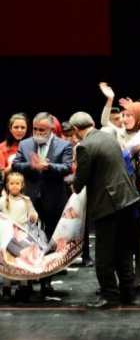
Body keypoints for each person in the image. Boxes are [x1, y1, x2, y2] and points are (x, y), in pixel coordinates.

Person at [68, 111, 140, 308]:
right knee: (124, 251)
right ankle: (128, 294)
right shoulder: (109, 136)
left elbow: (80, 181)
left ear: (75, 129)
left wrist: (73, 183)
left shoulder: (84, 146)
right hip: (128, 198)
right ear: (92, 122)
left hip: (108, 204)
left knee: (104, 254)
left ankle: (109, 296)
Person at [11, 112, 73, 297]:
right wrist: (31, 166)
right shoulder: (25, 144)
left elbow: (67, 168)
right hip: (30, 198)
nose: (37, 132)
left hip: (53, 198)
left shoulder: (64, 145)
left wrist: (48, 166)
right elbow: (16, 165)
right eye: (35, 129)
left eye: (42, 130)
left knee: (51, 240)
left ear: (51, 129)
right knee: (26, 240)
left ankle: (47, 281)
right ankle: (27, 282)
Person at [0, 171, 38, 301]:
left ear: (22, 185)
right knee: (8, 261)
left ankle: (24, 287)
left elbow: (33, 217)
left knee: (22, 261)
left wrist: (32, 215)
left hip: (22, 235)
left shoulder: (26, 201)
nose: (14, 186)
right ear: (7, 185)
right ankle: (6, 288)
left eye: (17, 183)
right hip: (7, 235)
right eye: (11, 183)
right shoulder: (2, 200)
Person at [0, 112, 30, 177]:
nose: (19, 130)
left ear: (27, 129)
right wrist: (15, 164)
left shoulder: (34, 145)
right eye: (16, 127)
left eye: (23, 127)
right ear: (10, 129)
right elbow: (1, 176)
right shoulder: (1, 147)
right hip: (9, 182)